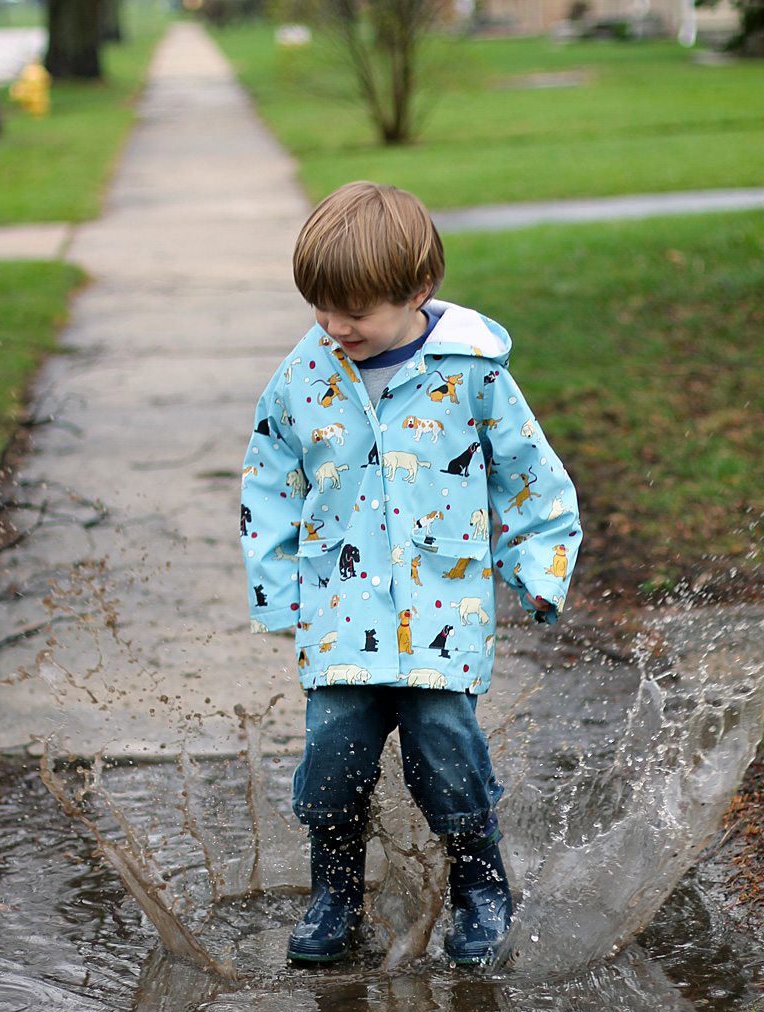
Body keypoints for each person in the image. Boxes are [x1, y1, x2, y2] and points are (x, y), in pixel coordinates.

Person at [240, 181, 581, 966]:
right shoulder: (304, 376)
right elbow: (268, 481)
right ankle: (334, 890)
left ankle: (479, 884)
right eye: (322, 307)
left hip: (441, 610)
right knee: (334, 750)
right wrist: (278, 587)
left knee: (445, 747)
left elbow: (531, 474)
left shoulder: (471, 373)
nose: (335, 326)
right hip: (340, 608)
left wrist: (540, 566)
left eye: (354, 311)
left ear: (418, 291)